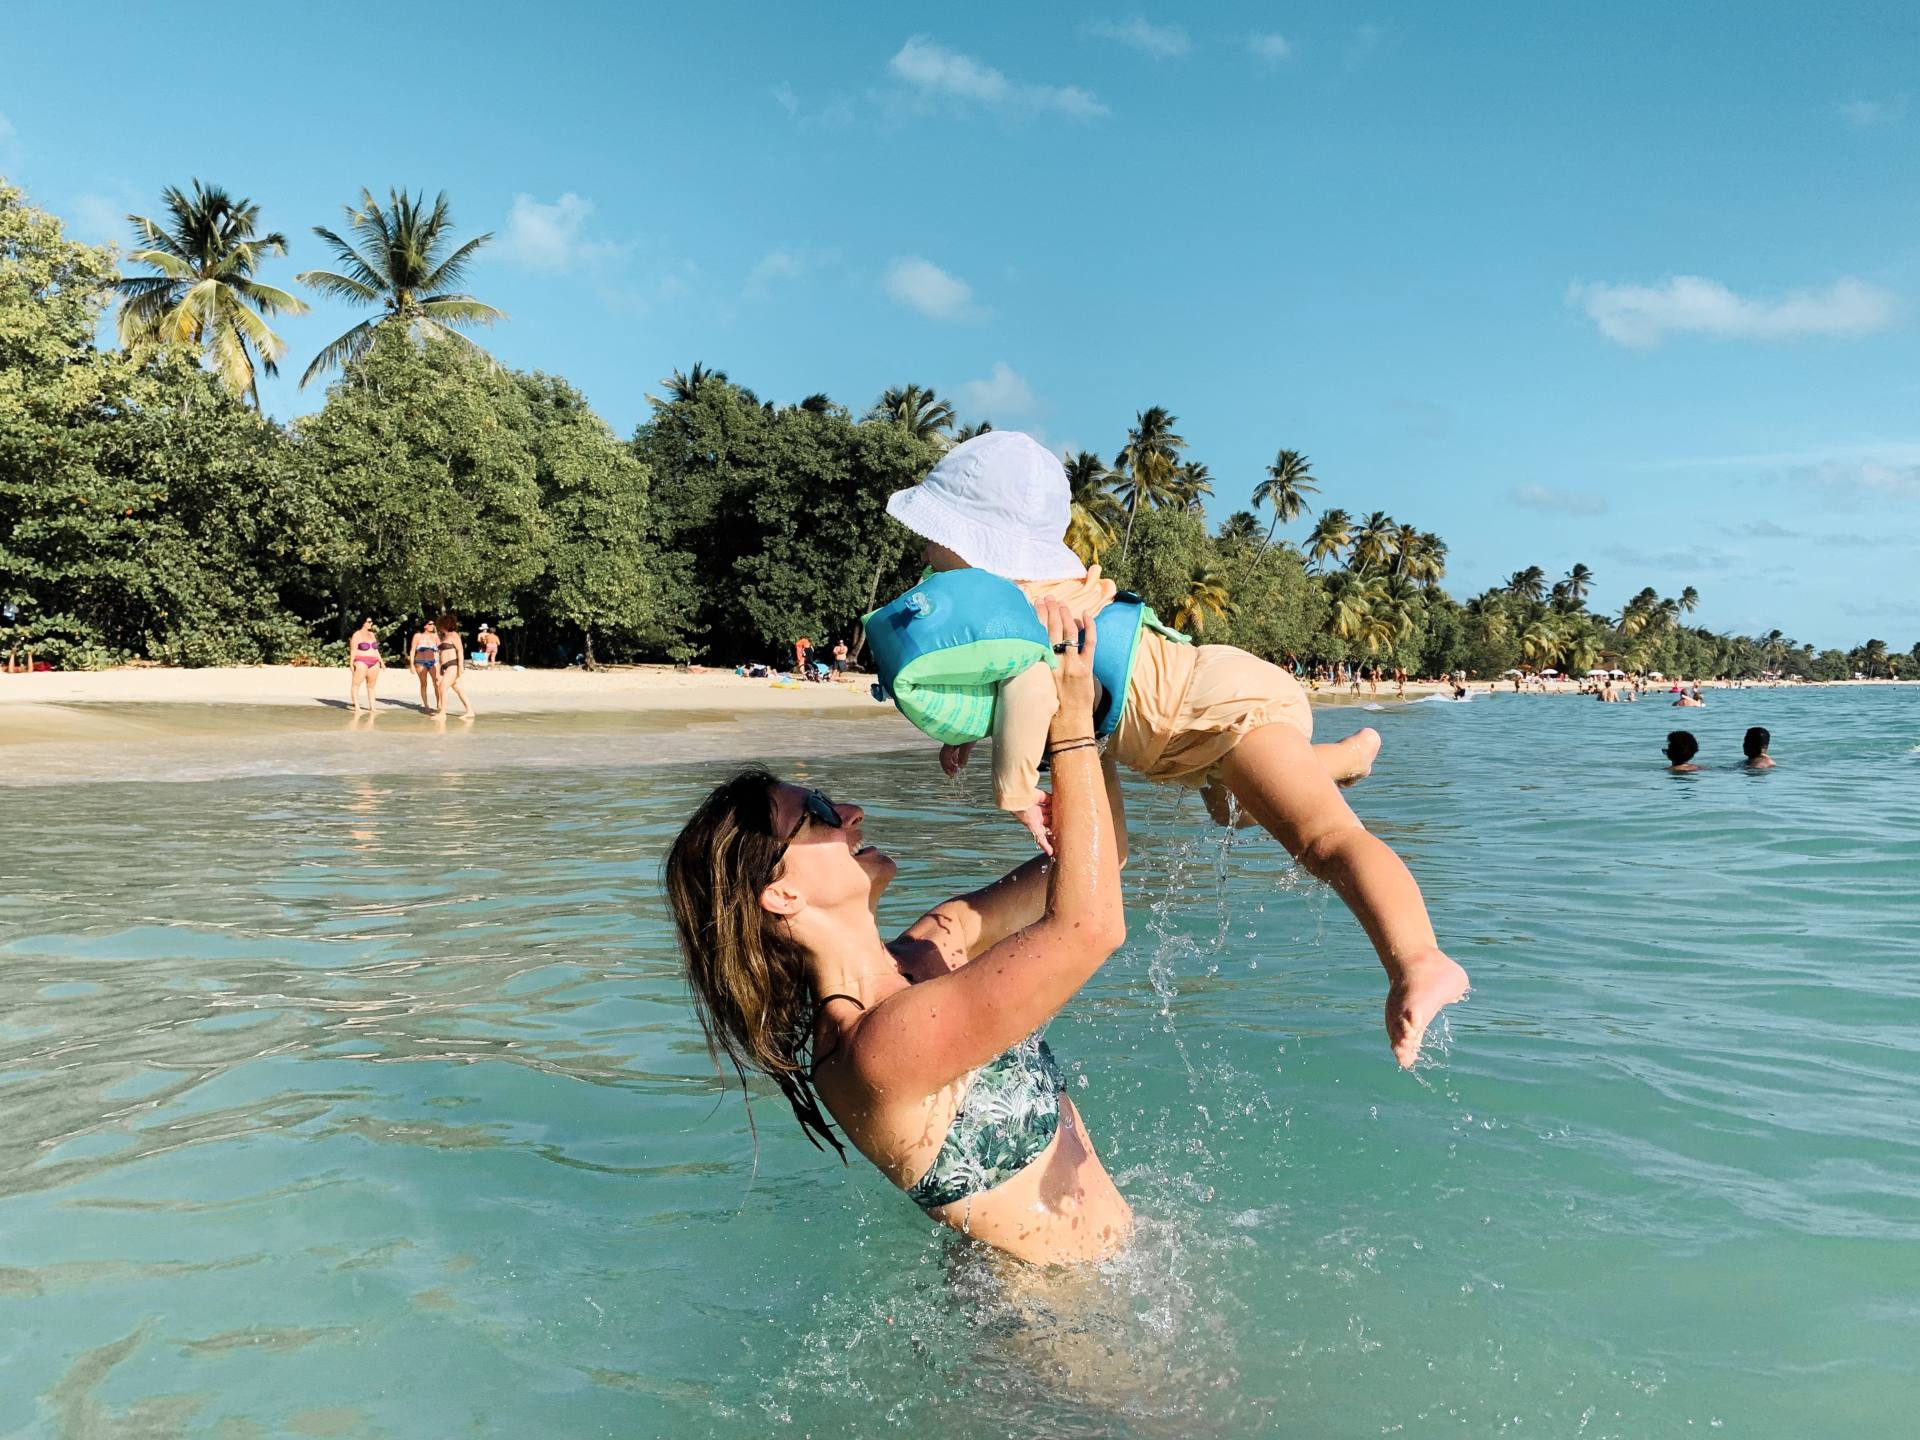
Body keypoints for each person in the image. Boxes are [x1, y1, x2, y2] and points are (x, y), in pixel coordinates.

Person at [874, 431, 1463, 1068]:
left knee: (1321, 839)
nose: (925, 551)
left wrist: (1014, 790)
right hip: (1148, 735)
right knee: (1119, 850)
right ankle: (1344, 758)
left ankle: (1419, 959)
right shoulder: (1023, 596)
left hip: (1224, 708)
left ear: (974, 542)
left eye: (933, 537)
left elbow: (1028, 687)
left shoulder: (1031, 607)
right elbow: (1013, 684)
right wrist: (966, 730)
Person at [665, 598, 1132, 1264]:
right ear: (782, 894)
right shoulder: (871, 1049)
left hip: (1102, 1293)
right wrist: (1072, 728)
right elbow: (1090, 928)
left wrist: (1061, 712)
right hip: (1033, 1321)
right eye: (818, 812)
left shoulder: (933, 945)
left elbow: (1102, 861)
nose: (852, 810)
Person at [435, 613, 476, 718]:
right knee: (458, 689)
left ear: (444, 624)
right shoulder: (444, 637)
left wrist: (461, 666)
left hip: (452, 665)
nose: (439, 626)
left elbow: (460, 651)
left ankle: (442, 713)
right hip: (445, 667)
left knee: (442, 687)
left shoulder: (454, 635)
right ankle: (470, 711)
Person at [347, 616, 383, 712]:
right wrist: (351, 663)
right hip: (361, 661)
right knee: (356, 684)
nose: (371, 623)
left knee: (371, 686)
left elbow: (376, 650)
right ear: (363, 623)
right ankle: (357, 707)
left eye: (371, 622)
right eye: (369, 622)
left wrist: (381, 661)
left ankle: (373, 707)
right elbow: (353, 650)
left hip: (374, 662)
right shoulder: (356, 635)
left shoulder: (372, 634)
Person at [409, 620, 441, 712]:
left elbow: (441, 649)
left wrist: (442, 663)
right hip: (420, 662)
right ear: (425, 626)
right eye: (430, 624)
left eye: (433, 624)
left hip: (433, 661)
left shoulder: (435, 636)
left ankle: (439, 704)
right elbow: (412, 650)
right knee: (424, 683)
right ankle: (426, 705)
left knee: (437, 682)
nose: (432, 625)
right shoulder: (417, 636)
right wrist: (411, 665)